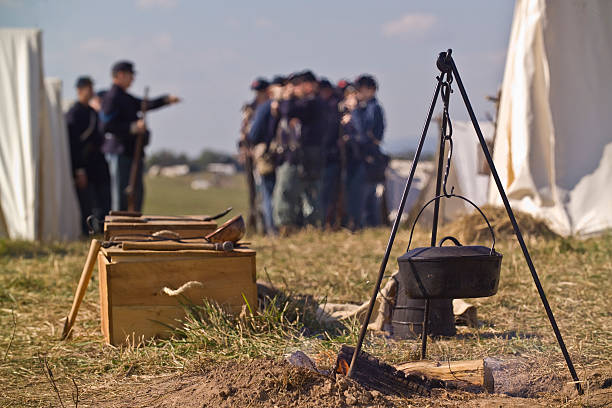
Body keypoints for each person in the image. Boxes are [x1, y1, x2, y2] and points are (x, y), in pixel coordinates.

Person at [101, 61, 180, 212]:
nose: (133, 79)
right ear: (120, 75)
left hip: (131, 153)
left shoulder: (123, 97)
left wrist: (165, 100)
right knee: (121, 195)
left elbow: (145, 104)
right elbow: (106, 126)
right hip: (119, 152)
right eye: (130, 75)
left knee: (135, 194)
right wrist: (132, 128)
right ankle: (118, 229)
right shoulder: (112, 97)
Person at [65, 76, 111, 235]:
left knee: (103, 201)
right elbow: (74, 144)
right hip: (84, 165)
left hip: (97, 164)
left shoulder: (93, 112)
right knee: (87, 203)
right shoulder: (74, 113)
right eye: (88, 88)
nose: (91, 91)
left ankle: (104, 231)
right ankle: (89, 233)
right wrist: (79, 169)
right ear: (79, 90)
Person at [247, 76, 283, 235]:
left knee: (268, 193)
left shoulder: (264, 107)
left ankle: (271, 229)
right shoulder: (284, 105)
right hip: (282, 155)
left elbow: (253, 134)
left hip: (267, 154)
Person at [355, 74, 387, 227]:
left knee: (366, 197)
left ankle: (371, 226)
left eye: (361, 90)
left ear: (371, 90)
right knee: (369, 198)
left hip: (370, 157)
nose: (358, 94)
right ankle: (373, 226)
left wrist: (355, 113)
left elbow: (365, 133)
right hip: (371, 157)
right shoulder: (371, 108)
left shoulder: (373, 108)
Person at [318, 78, 342, 227]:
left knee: (327, 194)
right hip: (329, 157)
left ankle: (328, 222)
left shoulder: (331, 107)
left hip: (330, 157)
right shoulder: (331, 106)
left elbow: (329, 134)